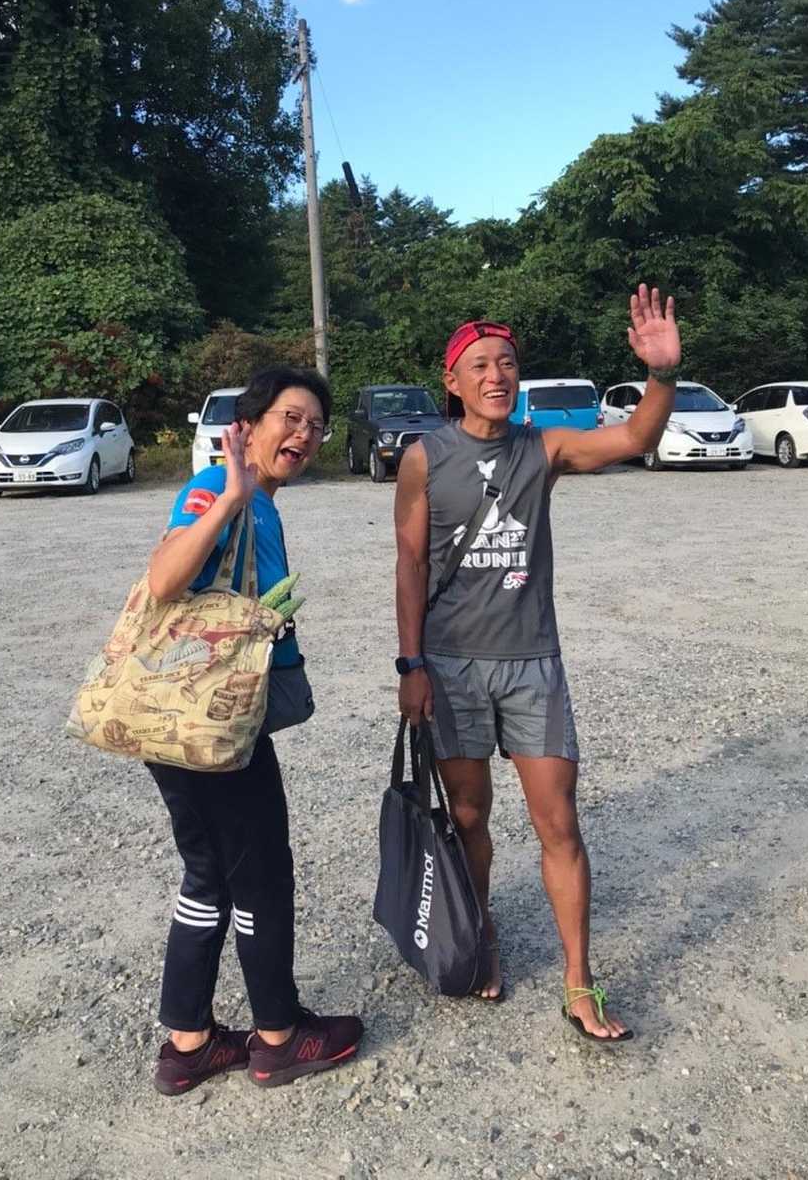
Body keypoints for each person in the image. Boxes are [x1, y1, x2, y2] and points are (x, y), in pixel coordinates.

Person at [393, 285, 681, 1040]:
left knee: (559, 823)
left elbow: (635, 438)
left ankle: (579, 981)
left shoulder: (542, 448)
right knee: (468, 816)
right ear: (453, 381)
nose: (497, 375)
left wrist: (662, 374)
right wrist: (410, 664)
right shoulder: (424, 459)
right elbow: (410, 564)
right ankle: (481, 934)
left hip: (532, 666)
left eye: (508, 363)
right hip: (451, 666)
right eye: (480, 365)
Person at [145, 365, 364, 1094]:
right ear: (249, 425)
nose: (304, 434)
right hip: (211, 718)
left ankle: (189, 1043)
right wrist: (232, 495)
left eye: (316, 426)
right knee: (261, 873)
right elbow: (164, 579)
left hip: (194, 715)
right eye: (290, 418)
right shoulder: (218, 487)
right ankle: (279, 1036)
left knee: (209, 871)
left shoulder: (263, 503)